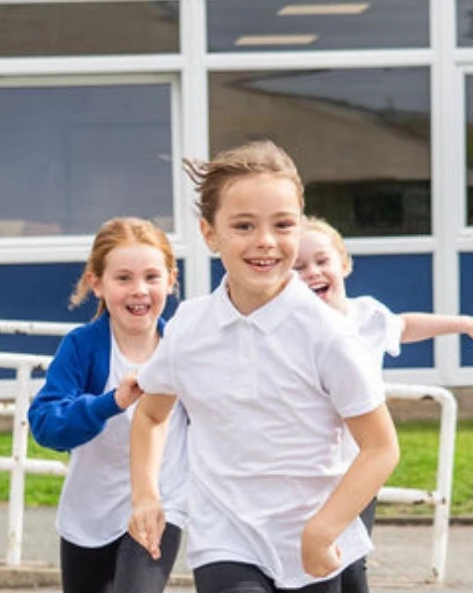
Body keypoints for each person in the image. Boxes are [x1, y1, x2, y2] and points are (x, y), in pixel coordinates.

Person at [125, 140, 398, 593]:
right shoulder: (190, 326)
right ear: (210, 234)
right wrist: (146, 495)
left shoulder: (328, 334)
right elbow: (152, 414)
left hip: (314, 542)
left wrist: (324, 528)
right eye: (244, 225)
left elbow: (381, 447)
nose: (265, 241)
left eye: (283, 224)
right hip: (225, 539)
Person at [290, 215, 473, 593]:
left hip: (358, 468)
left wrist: (468, 324)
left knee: (352, 568)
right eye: (297, 267)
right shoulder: (286, 325)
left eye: (321, 261)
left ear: (343, 264)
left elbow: (405, 326)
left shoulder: (367, 316)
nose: (312, 272)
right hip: (303, 469)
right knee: (308, 569)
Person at [30, 217, 189, 593]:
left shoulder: (183, 348)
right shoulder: (83, 347)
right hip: (89, 515)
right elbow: (46, 425)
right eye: (123, 278)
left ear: (171, 279)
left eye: (152, 277)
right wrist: (109, 403)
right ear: (96, 283)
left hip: (160, 505)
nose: (139, 290)